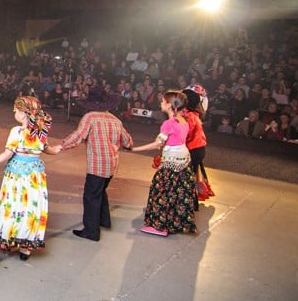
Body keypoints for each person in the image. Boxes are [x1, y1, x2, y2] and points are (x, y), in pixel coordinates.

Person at [52, 87, 133, 242]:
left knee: (91, 196)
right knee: (100, 190)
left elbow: (78, 135)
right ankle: (104, 220)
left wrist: (61, 145)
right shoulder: (116, 120)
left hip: (98, 163)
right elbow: (128, 141)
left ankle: (91, 231)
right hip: (112, 163)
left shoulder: (90, 117)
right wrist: (129, 146)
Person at [0, 96, 55, 260]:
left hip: (17, 174)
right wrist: (57, 149)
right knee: (31, 206)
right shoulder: (40, 131)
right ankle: (27, 247)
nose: (14, 113)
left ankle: (10, 238)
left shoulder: (16, 132)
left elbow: (8, 153)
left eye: (16, 110)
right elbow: (46, 149)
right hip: (34, 175)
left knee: (14, 204)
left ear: (23, 113)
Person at [131, 90, 197, 237]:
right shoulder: (184, 121)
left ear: (169, 105)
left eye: (162, 101)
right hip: (183, 161)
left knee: (161, 191)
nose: (161, 103)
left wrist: (134, 149)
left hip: (171, 162)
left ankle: (159, 226)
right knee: (176, 192)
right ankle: (174, 223)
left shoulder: (169, 124)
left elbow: (157, 144)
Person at [182, 85, 213, 207]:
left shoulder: (189, 116)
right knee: (192, 175)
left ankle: (188, 202)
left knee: (185, 176)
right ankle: (192, 201)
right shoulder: (194, 114)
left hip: (192, 149)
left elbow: (185, 135)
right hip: (198, 149)